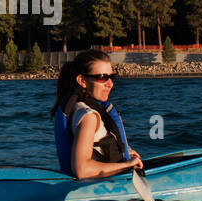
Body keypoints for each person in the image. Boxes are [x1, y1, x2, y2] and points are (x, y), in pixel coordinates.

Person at [51, 49, 143, 179]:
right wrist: (126, 165)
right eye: (102, 78)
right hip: (97, 188)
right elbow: (82, 170)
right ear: (82, 80)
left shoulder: (79, 107)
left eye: (112, 77)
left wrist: (126, 153)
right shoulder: (89, 116)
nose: (110, 84)